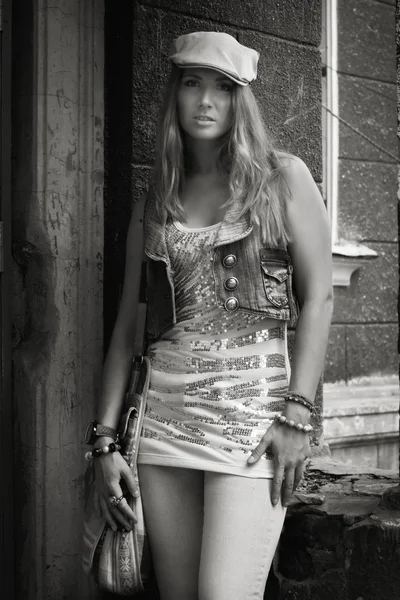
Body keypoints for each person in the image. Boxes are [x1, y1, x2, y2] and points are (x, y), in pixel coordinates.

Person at [87, 31, 333, 600]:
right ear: (174, 94)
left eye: (223, 88)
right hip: (164, 427)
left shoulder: (283, 177)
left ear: (240, 100)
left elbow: (319, 297)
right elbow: (129, 323)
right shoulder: (158, 195)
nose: (205, 101)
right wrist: (104, 445)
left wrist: (298, 414)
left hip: (251, 429)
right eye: (192, 84)